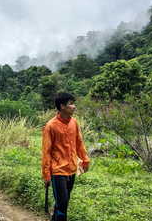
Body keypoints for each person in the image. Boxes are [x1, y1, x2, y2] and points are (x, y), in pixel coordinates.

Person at [42, 92, 90, 221]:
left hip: (71, 169)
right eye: (71, 104)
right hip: (57, 170)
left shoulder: (74, 122)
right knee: (63, 202)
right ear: (62, 106)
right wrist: (46, 174)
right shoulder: (50, 126)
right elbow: (46, 152)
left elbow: (79, 142)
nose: (74, 107)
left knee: (63, 201)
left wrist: (85, 160)